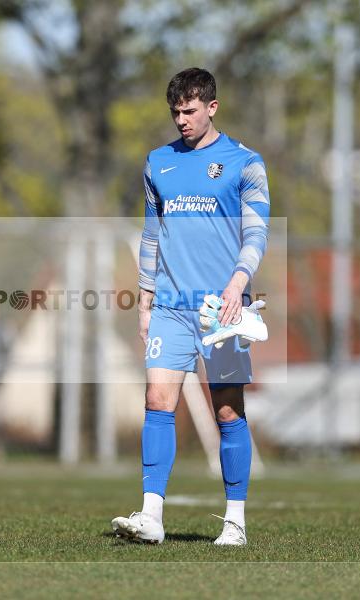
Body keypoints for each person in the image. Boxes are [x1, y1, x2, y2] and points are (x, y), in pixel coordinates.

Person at [111, 68, 270, 546]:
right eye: (176, 112)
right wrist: (144, 299)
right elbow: (152, 234)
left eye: (190, 111)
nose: (182, 120)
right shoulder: (158, 162)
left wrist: (237, 283)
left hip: (222, 309)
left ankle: (235, 521)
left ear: (212, 108)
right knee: (158, 401)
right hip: (170, 307)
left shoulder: (245, 163)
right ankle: (152, 516)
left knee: (227, 411)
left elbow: (257, 232)